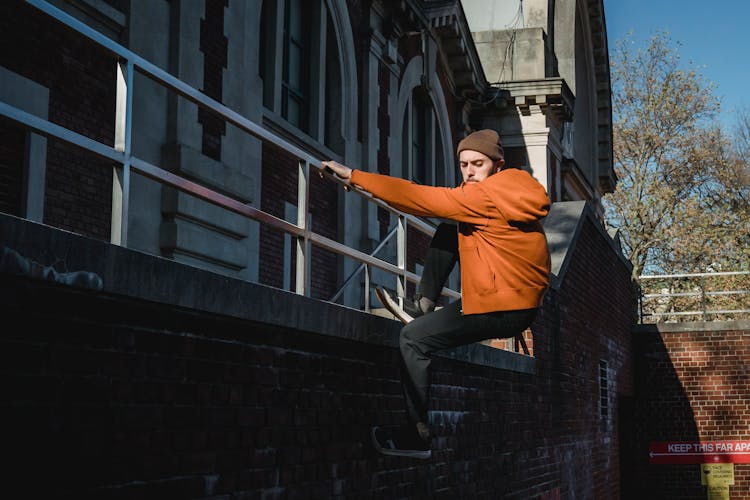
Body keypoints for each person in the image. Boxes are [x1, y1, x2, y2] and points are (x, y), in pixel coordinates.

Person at [321, 129, 551, 460]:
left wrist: (354, 177)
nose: (470, 172)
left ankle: (417, 436)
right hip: (514, 303)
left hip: (501, 306)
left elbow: (417, 197)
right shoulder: (513, 191)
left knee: (413, 339)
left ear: (497, 165)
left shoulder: (483, 199)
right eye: (464, 164)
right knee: (450, 225)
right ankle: (422, 305)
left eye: (478, 164)